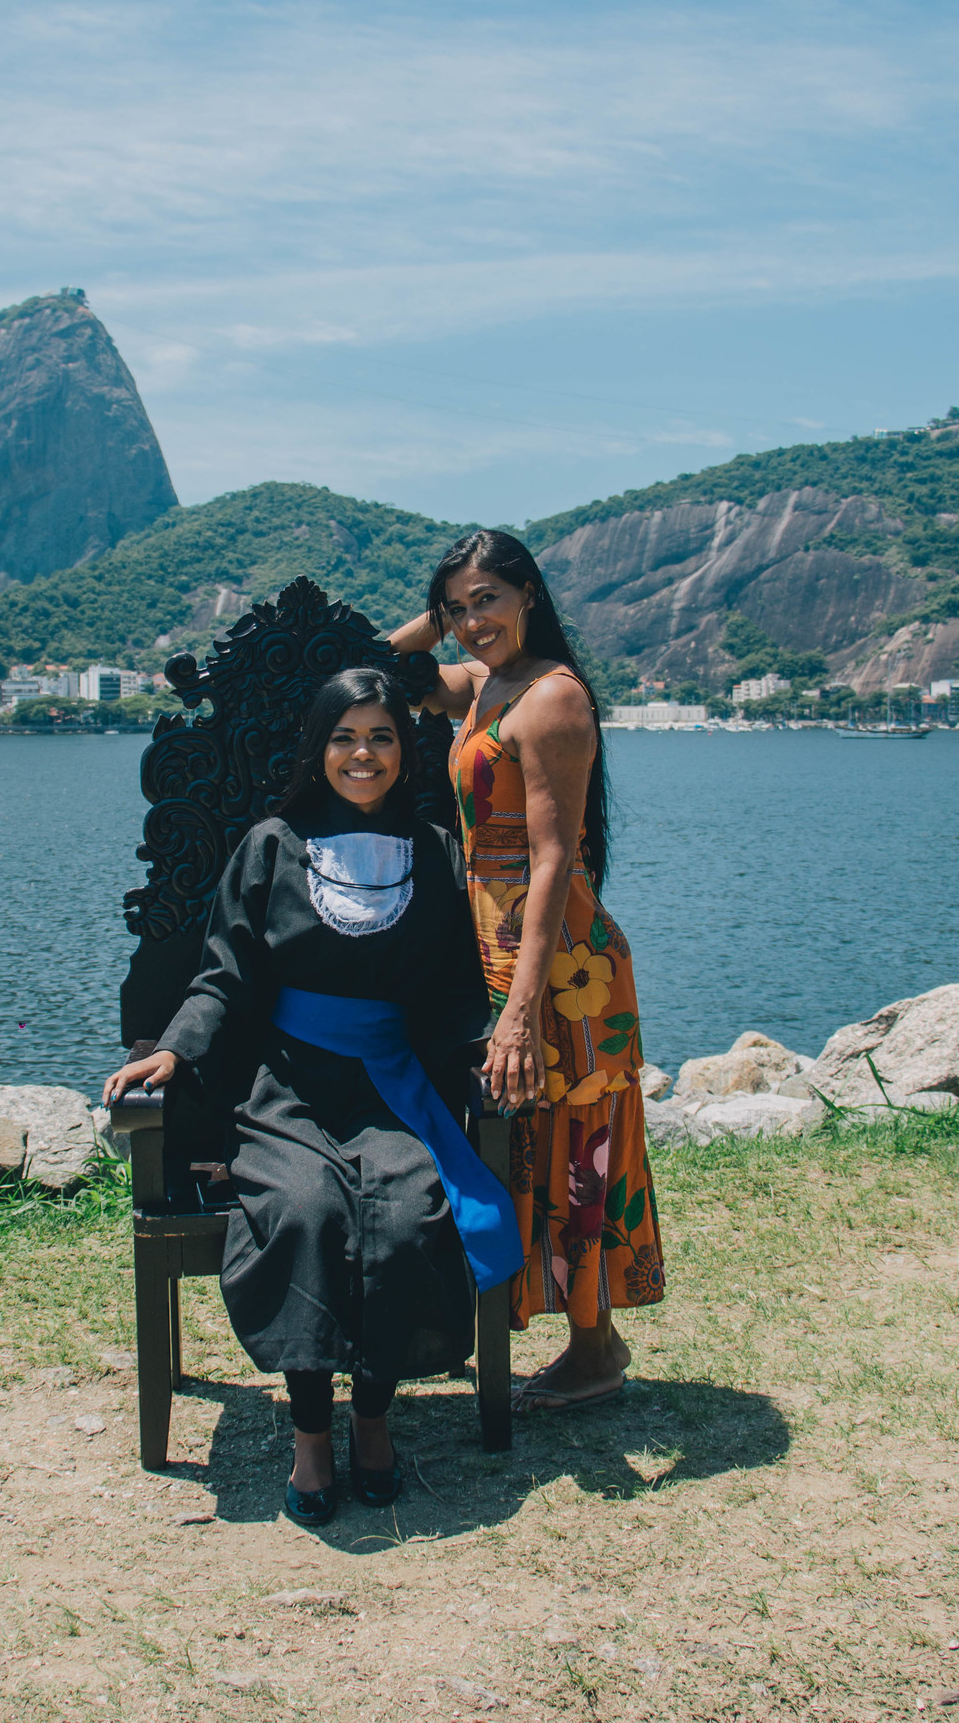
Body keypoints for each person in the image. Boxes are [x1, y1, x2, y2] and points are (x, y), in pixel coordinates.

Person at [104, 667, 520, 1523]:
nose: (362, 754)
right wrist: (174, 1052)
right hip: (285, 1086)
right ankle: (309, 1437)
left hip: (392, 1089)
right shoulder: (270, 844)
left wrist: (489, 1050)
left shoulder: (436, 851)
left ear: (406, 752)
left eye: (382, 737)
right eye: (345, 736)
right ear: (319, 748)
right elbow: (224, 978)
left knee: (405, 1210)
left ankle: (371, 1417)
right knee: (302, 1209)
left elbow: (450, 993)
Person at [390, 531, 665, 1411]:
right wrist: (437, 622)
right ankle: (592, 1341)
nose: (473, 622)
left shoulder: (550, 700)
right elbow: (385, 663)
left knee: (576, 1143)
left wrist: (517, 1010)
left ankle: (594, 1350)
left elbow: (554, 860)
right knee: (528, 1141)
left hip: (559, 959)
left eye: (488, 601)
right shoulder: (485, 686)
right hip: (498, 939)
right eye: (458, 607)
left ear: (529, 597)